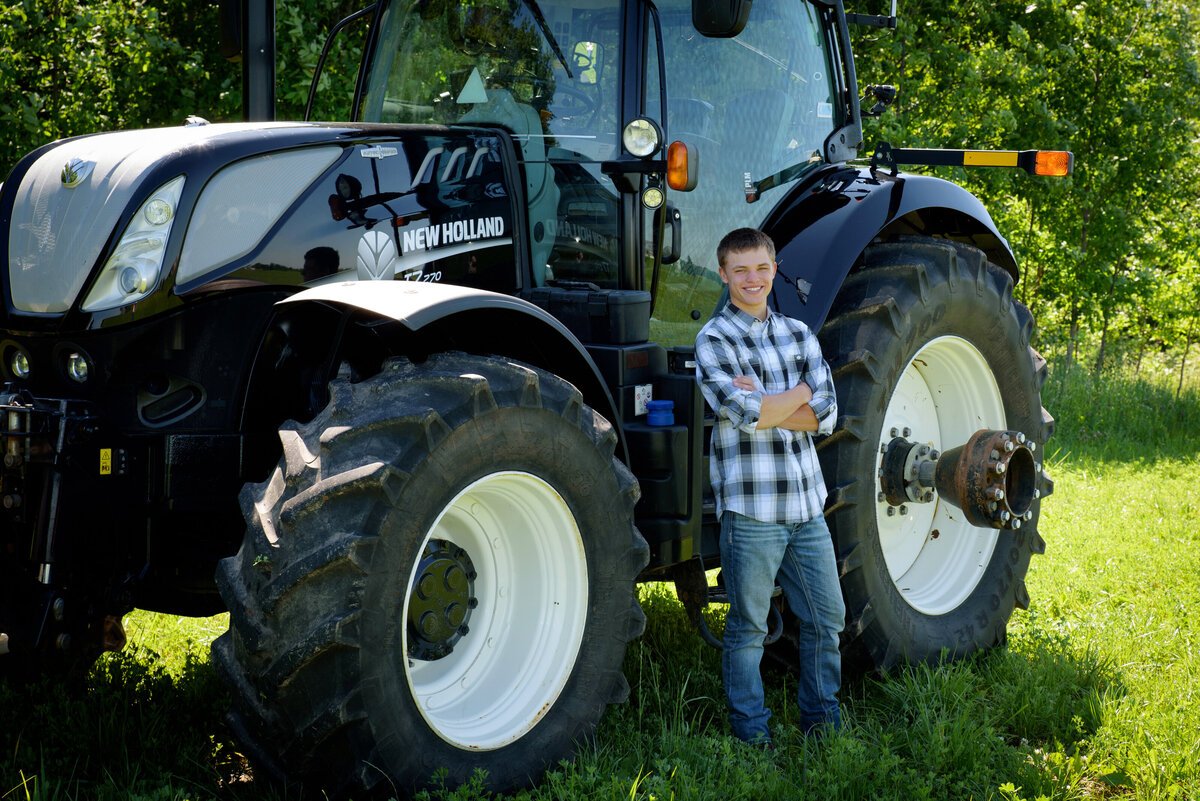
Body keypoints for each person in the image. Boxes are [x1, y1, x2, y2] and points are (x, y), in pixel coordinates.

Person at [694, 227, 845, 747]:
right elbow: (740, 411)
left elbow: (826, 414)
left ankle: (822, 722)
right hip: (752, 511)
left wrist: (773, 400)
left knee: (828, 619)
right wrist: (796, 396)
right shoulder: (713, 339)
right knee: (748, 629)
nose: (752, 279)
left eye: (761, 268)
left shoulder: (800, 334)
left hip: (807, 506)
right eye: (740, 270)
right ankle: (752, 735)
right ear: (724, 274)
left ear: (774, 270)